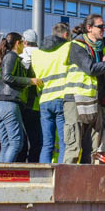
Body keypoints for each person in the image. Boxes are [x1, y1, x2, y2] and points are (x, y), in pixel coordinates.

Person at [64, 14, 105, 164]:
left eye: (104, 26)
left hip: (97, 101)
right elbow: (91, 69)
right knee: (74, 147)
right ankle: (67, 184)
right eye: (100, 26)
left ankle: (87, 184)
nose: (104, 29)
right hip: (76, 100)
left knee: (92, 149)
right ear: (89, 28)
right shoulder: (77, 45)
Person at [0, 32, 42, 163]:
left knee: (6, 144)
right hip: (9, 103)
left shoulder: (10, 57)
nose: (25, 46)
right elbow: (7, 77)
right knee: (16, 143)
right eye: (23, 42)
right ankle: (5, 174)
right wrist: (30, 81)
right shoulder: (12, 56)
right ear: (17, 43)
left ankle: (0, 176)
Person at [32, 22, 71, 163]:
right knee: (64, 143)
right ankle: (60, 178)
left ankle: (43, 176)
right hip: (61, 98)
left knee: (47, 144)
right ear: (66, 35)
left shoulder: (37, 54)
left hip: (44, 101)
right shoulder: (67, 47)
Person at [17, 29, 43, 162]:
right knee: (36, 140)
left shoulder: (22, 56)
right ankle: (34, 164)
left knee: (22, 140)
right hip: (39, 103)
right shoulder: (42, 54)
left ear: (25, 42)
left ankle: (21, 166)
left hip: (23, 103)